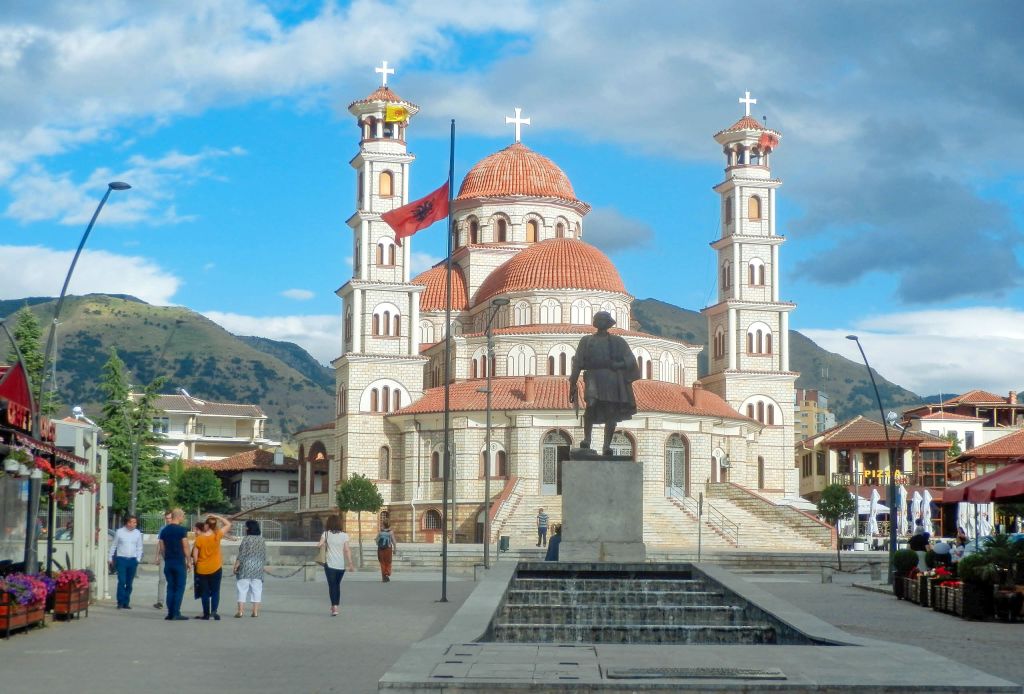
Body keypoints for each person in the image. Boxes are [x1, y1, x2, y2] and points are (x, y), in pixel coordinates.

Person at [568, 311, 641, 455]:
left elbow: (631, 361)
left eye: (602, 319)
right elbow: (577, 362)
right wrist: (573, 382)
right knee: (591, 405)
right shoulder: (586, 340)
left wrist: (617, 365)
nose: (598, 321)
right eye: (597, 319)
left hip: (611, 378)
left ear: (608, 323)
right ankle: (587, 439)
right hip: (593, 375)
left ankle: (606, 446)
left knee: (610, 411)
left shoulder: (618, 341)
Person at [192, 513, 232, 620]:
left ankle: (206, 613)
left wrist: (196, 565)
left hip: (202, 568)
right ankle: (214, 611)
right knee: (215, 591)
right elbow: (228, 524)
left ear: (207, 525)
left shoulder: (199, 539)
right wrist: (217, 517)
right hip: (216, 567)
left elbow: (195, 555)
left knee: (204, 592)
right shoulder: (217, 535)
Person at [157, 508, 192, 620]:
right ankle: (176, 612)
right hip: (179, 562)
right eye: (183, 516)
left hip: (168, 562)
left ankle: (170, 613)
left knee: (170, 587)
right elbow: (185, 546)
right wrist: (189, 561)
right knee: (179, 587)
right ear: (179, 516)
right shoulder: (182, 530)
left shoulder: (164, 530)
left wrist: (166, 557)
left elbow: (162, 547)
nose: (184, 519)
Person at [318, 514, 354, 617]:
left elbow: (319, 545)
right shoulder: (344, 535)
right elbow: (347, 550)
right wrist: (350, 563)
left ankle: (334, 606)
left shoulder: (326, 534)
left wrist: (324, 544)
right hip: (341, 565)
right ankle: (335, 605)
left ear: (329, 523)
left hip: (329, 565)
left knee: (332, 585)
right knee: (337, 585)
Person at [233, 520, 267, 618]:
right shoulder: (262, 540)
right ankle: (255, 612)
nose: (245, 528)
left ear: (249, 528)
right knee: (257, 590)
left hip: (245, 567)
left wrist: (236, 566)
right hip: (258, 567)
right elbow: (263, 555)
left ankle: (240, 612)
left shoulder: (246, 539)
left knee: (242, 589)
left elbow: (242, 554)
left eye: (246, 527)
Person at [109, 515, 144, 609]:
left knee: (129, 583)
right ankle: (120, 602)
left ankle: (126, 602)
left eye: (135, 522)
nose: (133, 524)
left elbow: (139, 547)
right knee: (122, 581)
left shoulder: (137, 533)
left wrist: (138, 559)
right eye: (131, 522)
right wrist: (110, 558)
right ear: (126, 522)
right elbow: (113, 546)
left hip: (132, 560)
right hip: (121, 559)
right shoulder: (119, 532)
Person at [153, 511, 172, 609]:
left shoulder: (178, 529)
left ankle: (171, 601)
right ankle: (160, 601)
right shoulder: (163, 529)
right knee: (161, 579)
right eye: (167, 518)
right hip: (163, 556)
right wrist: (157, 556)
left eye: (170, 518)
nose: (168, 520)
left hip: (173, 557)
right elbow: (159, 543)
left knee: (172, 580)